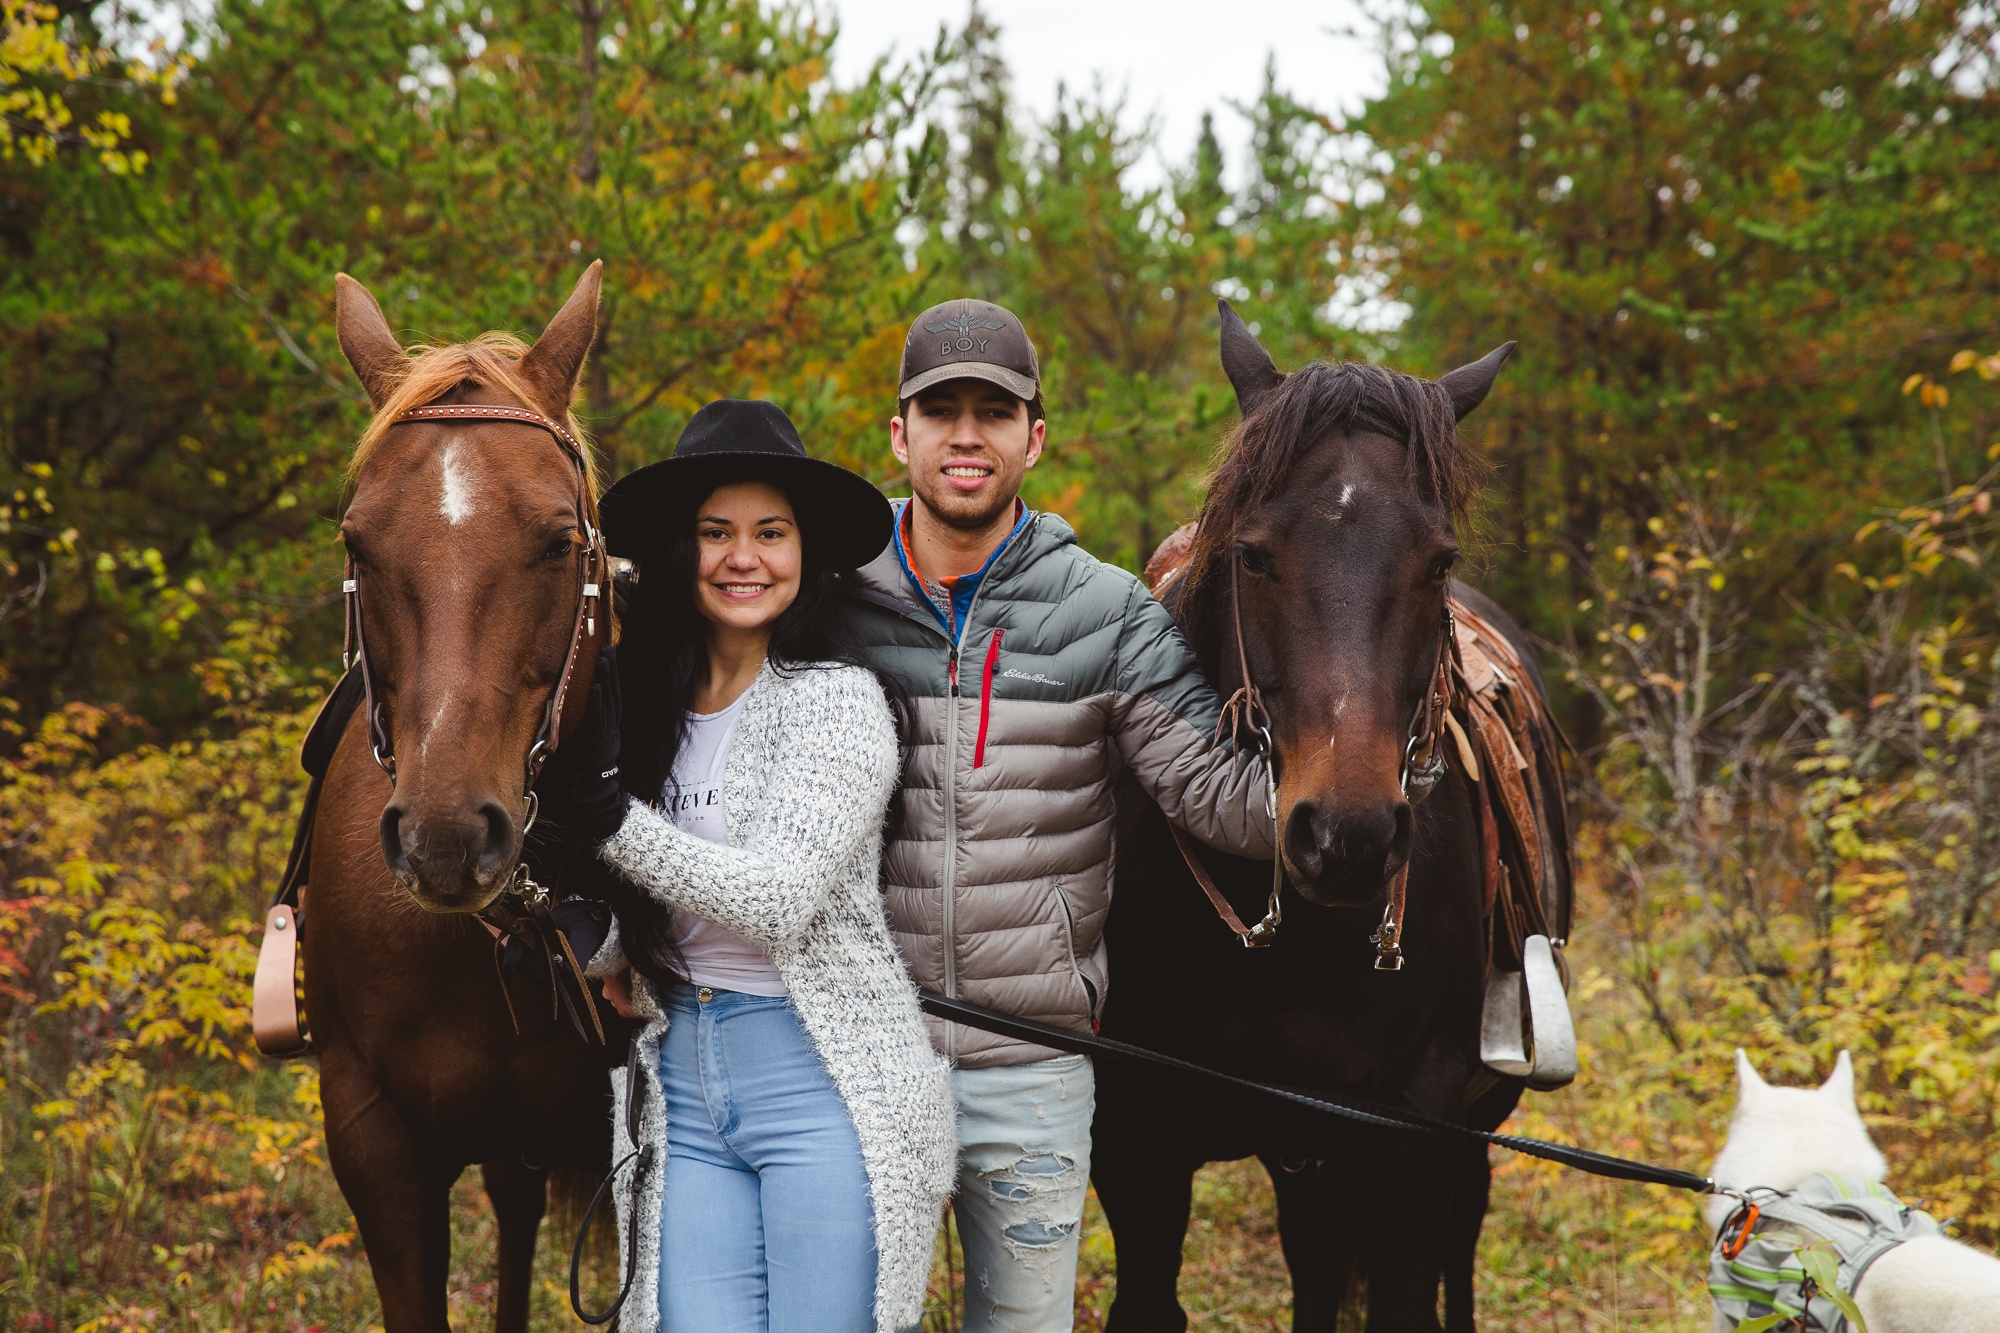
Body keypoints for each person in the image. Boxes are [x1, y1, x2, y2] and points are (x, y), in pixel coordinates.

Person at [839, 300, 1279, 1332]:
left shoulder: (1108, 611)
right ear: (897, 435)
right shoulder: (829, 603)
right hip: (860, 1064)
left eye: (992, 411)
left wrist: (1372, 775)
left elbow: (1215, 794)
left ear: (1033, 437)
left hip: (1030, 1072)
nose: (964, 434)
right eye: (936, 410)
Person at [542, 399, 955, 1333]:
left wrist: (611, 820)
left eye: (771, 532)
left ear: (806, 552)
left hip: (825, 1081)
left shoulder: (839, 703)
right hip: (682, 1074)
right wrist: (587, 933)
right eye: (715, 532)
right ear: (680, 552)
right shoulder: (646, 709)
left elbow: (775, 899)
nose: (744, 557)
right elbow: (657, 918)